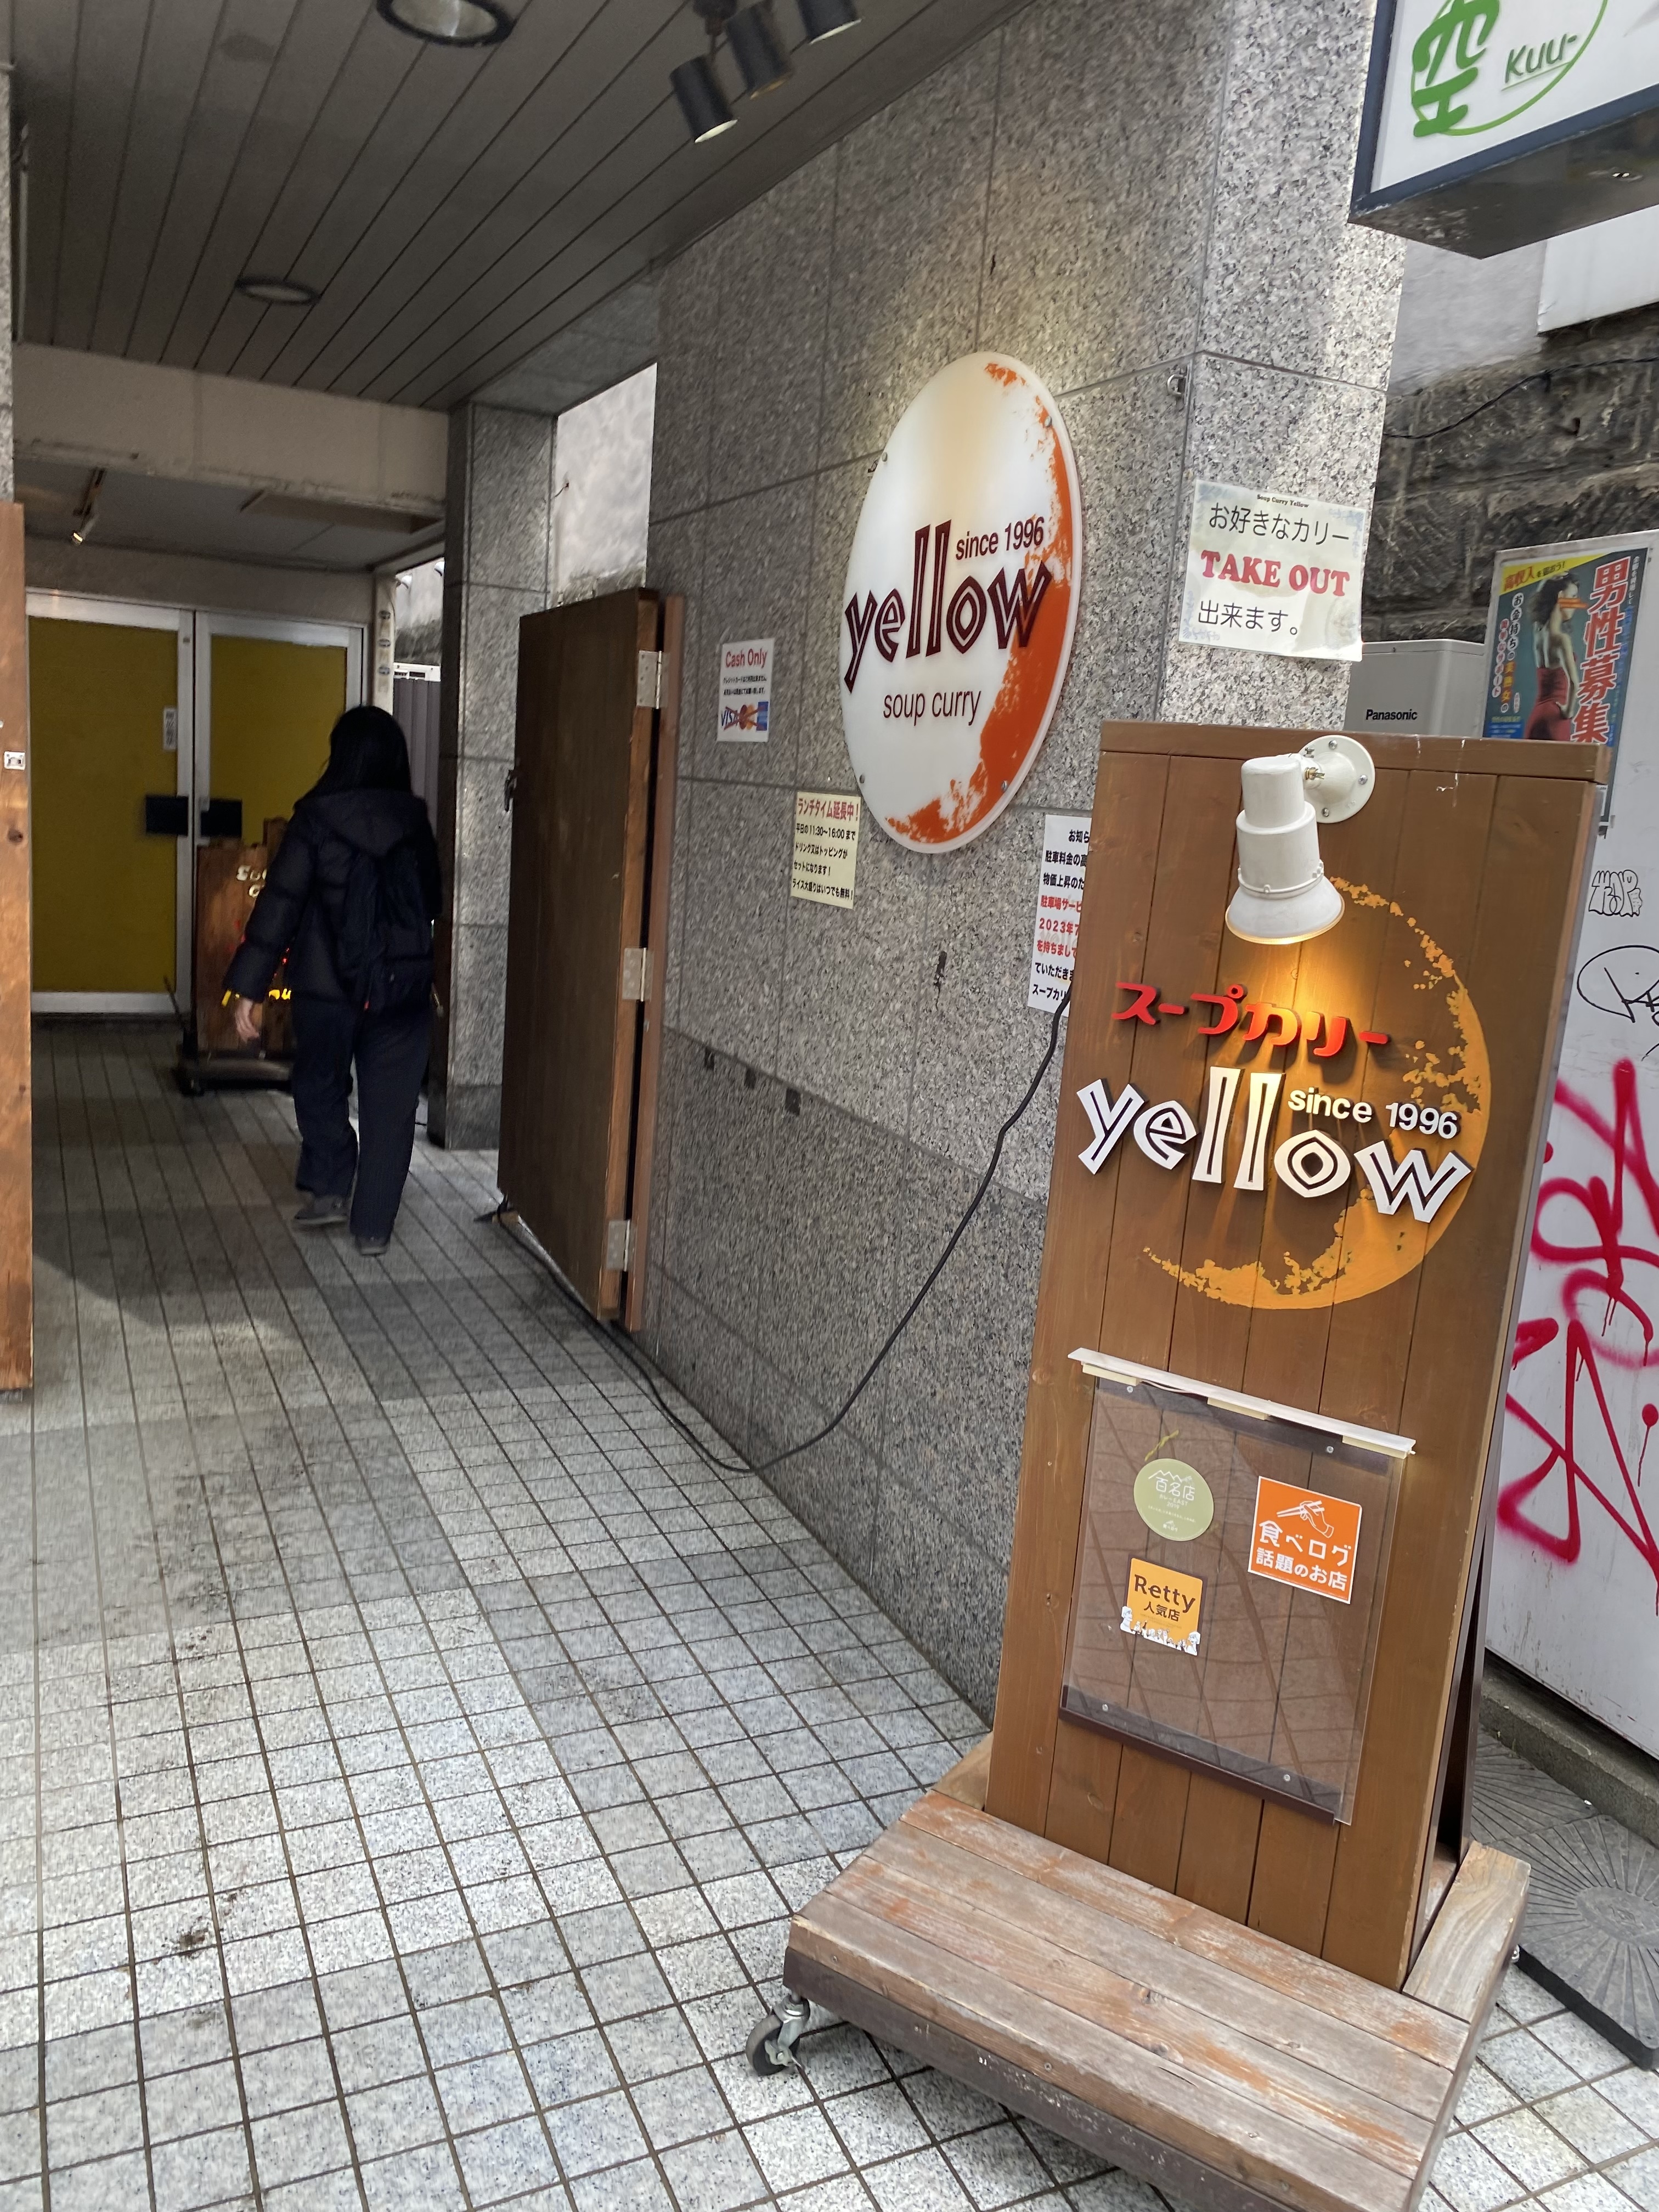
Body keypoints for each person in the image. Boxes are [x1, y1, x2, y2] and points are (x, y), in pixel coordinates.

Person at [224, 705, 442, 1257]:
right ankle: (373, 1227)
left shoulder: (315, 820)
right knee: (392, 1111)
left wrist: (250, 986)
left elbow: (281, 904)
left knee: (318, 1084)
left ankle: (329, 1187)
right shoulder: (415, 823)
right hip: (401, 987)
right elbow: (432, 903)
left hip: (326, 990)